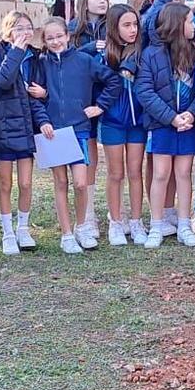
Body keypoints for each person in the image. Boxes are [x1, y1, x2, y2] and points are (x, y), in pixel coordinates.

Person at [33, 17, 120, 254]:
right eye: (50, 38)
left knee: (81, 183)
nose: (55, 42)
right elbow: (35, 97)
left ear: (68, 36)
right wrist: (43, 121)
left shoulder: (84, 60)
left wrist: (99, 106)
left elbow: (113, 81)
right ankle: (66, 234)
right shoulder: (41, 64)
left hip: (79, 129)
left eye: (59, 36)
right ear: (44, 41)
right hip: (53, 132)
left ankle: (82, 226)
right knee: (61, 182)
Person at [138, 4, 195, 247]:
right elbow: (144, 90)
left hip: (188, 125)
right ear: (177, 24)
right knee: (161, 174)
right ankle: (157, 225)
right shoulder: (151, 54)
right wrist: (170, 117)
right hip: (161, 125)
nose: (194, 26)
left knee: (184, 174)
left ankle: (184, 225)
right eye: (190, 21)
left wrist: (191, 115)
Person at [0, 11, 44, 254]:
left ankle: (23, 228)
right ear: (8, 31)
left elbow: (38, 91)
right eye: (19, 28)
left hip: (26, 127)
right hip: (4, 127)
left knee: (26, 182)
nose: (25, 33)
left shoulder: (35, 58)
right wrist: (16, 52)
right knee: (5, 183)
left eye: (28, 27)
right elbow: (1, 80)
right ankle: (7, 232)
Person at [98, 3, 149, 246]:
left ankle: (137, 222)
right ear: (113, 27)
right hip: (112, 121)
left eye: (135, 24)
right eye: (126, 25)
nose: (132, 30)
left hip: (137, 122)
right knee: (116, 173)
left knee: (135, 172)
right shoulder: (103, 53)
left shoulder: (142, 51)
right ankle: (116, 222)